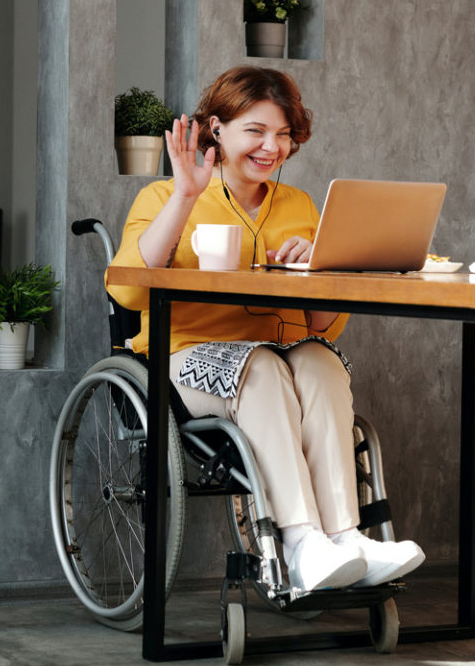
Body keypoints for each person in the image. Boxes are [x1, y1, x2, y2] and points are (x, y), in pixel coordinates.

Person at [106, 65, 424, 591]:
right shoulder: (163, 198)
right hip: (186, 360)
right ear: (218, 129)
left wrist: (319, 268)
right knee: (264, 367)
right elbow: (129, 292)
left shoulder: (299, 206)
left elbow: (323, 325)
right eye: (255, 130)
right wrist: (186, 196)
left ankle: (345, 538)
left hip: (279, 358)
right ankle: (301, 542)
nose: (271, 146)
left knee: (320, 361)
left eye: (283, 134)